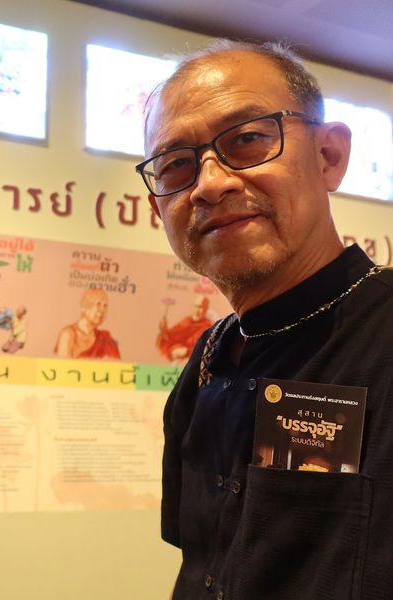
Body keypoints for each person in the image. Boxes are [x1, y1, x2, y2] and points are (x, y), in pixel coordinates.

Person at [138, 40, 393, 599]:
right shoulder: (208, 359)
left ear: (328, 156)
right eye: (177, 165)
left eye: (248, 139)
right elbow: (204, 563)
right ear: (159, 207)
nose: (210, 184)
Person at [54, 288, 120, 359]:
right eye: (98, 304)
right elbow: (62, 365)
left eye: (105, 306)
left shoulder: (105, 338)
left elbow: (115, 364)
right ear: (85, 307)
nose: (102, 310)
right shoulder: (68, 334)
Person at [155, 295, 213, 361]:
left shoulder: (208, 326)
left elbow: (205, 349)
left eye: (200, 307)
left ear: (206, 309)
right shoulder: (187, 320)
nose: (197, 310)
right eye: (196, 306)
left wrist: (187, 351)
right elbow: (170, 337)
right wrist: (163, 330)